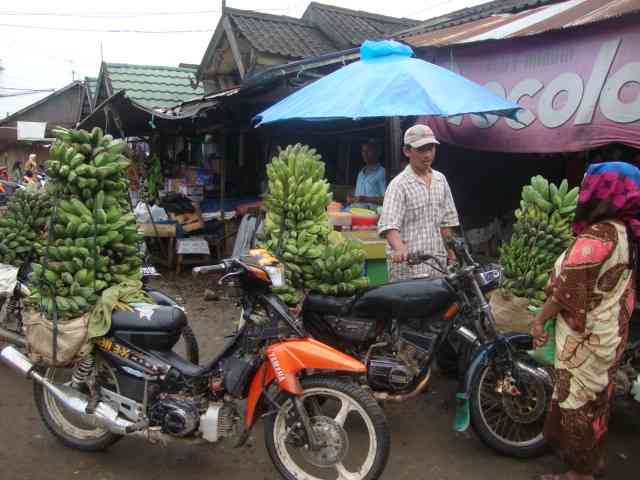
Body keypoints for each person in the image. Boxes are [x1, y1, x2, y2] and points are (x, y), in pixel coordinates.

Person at [531, 161, 639, 480]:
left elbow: (568, 289)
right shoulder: (627, 232)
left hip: (586, 338)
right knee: (597, 402)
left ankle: (580, 474)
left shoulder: (600, 235)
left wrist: (539, 320)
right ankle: (593, 461)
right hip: (610, 333)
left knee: (576, 405)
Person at [378, 125, 460, 281]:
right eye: (422, 149)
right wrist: (399, 248)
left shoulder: (440, 180)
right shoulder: (399, 185)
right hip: (408, 271)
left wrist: (452, 254)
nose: (428, 155)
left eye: (431, 148)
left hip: (437, 266)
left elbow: (446, 223)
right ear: (407, 151)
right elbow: (388, 225)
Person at [348, 139, 386, 210]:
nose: (364, 153)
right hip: (355, 211)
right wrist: (351, 195)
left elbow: (386, 199)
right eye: (363, 151)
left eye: (368, 151)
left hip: (371, 214)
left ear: (378, 153)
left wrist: (364, 199)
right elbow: (358, 190)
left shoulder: (382, 172)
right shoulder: (361, 173)